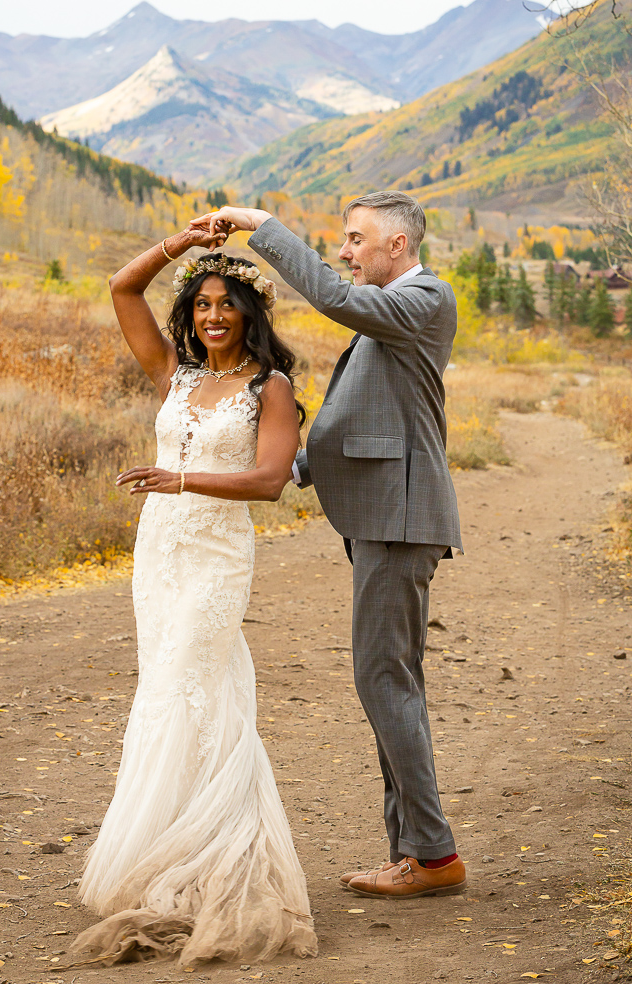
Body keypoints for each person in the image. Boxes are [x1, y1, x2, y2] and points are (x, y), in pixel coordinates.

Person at [199, 192, 466, 900]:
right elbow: (364, 413)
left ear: (397, 247)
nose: (346, 252)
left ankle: (432, 855)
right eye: (343, 242)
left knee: (383, 681)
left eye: (354, 240)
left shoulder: (424, 299)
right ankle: (412, 851)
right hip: (380, 514)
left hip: (398, 516)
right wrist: (294, 466)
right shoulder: (391, 313)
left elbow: (332, 298)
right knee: (387, 681)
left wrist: (263, 230)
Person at [68, 218, 318, 968]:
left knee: (195, 688)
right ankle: (164, 843)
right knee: (165, 690)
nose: (212, 317)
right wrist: (179, 243)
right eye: (201, 305)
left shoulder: (267, 388)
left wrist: (180, 478)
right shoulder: (174, 375)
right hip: (160, 553)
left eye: (226, 306)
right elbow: (121, 287)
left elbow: (271, 481)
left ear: (250, 314)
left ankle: (220, 852)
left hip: (215, 554)